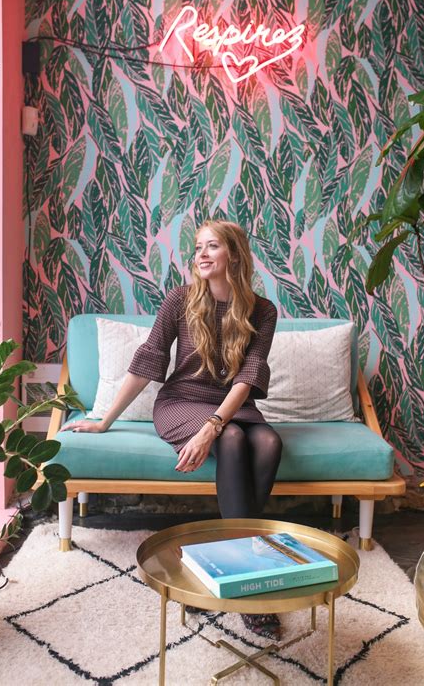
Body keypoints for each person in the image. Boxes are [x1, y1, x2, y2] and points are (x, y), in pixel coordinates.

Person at [63, 220, 283, 638]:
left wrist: (212, 425)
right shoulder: (180, 300)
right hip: (181, 401)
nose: (201, 254)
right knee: (233, 437)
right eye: (198, 247)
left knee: (270, 442)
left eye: (212, 246)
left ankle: (219, 561)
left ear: (234, 254)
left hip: (231, 405)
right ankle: (247, 583)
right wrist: (106, 419)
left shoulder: (263, 311)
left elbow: (247, 377)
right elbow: (149, 360)